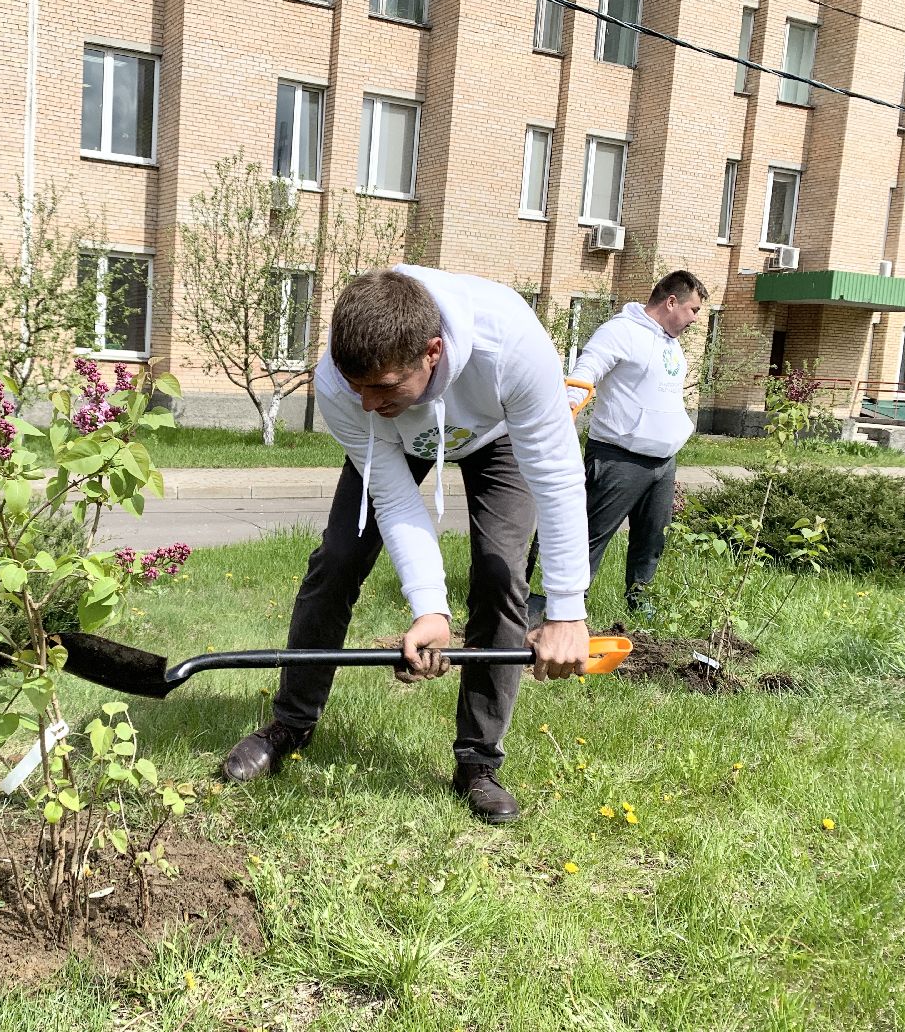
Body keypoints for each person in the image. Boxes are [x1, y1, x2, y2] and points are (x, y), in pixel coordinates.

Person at [221, 266, 591, 824]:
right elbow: (394, 500)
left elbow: (558, 477)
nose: (366, 403)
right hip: (398, 443)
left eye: (384, 387)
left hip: (499, 437)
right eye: (357, 388)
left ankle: (477, 761)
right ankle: (292, 725)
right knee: (339, 559)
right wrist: (430, 608)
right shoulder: (345, 388)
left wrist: (566, 610)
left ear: (433, 352)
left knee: (499, 576)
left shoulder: (512, 346)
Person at [565, 270, 706, 612]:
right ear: (671, 302)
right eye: (693, 310)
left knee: (652, 536)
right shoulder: (621, 331)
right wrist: (570, 401)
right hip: (619, 456)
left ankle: (639, 598)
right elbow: (589, 367)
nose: (695, 320)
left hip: (663, 460)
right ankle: (570, 603)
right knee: (594, 534)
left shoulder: (672, 344)